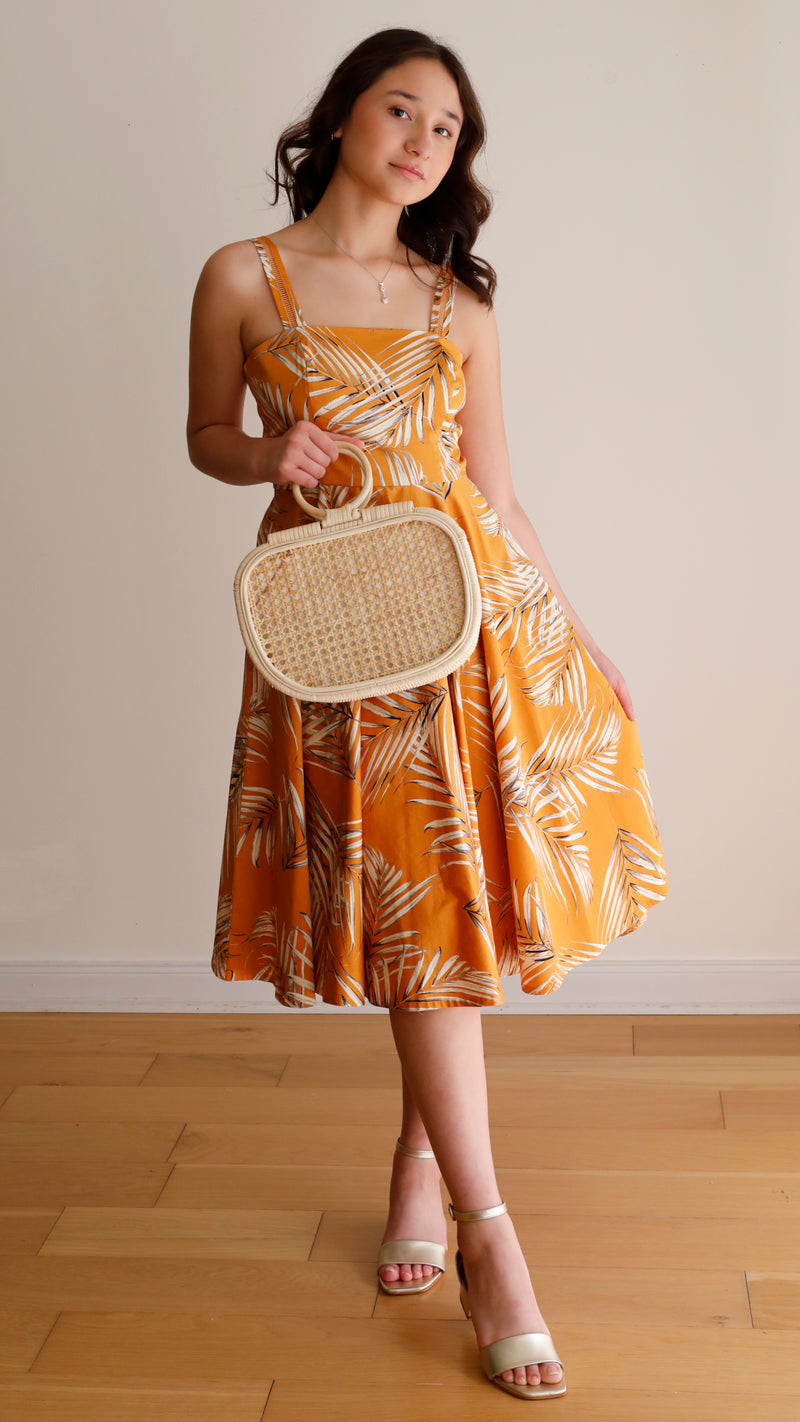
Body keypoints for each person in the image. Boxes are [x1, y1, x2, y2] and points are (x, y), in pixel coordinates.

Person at [187, 26, 668, 1402]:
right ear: (341, 116)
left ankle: (454, 1198)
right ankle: (482, 1221)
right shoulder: (244, 275)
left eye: (449, 129)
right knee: (415, 907)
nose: (422, 140)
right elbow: (205, 435)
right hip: (340, 630)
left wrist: (579, 630)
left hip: (476, 624)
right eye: (401, 109)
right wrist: (267, 450)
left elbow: (500, 498)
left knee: (439, 912)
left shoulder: (459, 305)